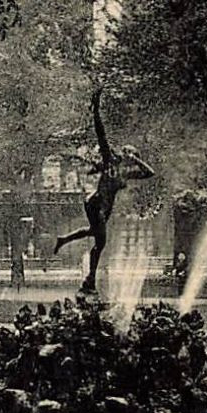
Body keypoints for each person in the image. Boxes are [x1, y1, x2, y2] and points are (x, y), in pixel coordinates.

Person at [52, 89, 155, 294]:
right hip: (96, 203)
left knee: (95, 235)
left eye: (132, 155)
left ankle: (64, 241)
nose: (128, 156)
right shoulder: (110, 160)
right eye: (129, 153)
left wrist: (136, 160)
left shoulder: (126, 173)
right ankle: (89, 281)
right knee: (100, 242)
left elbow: (150, 172)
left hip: (104, 209)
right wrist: (96, 108)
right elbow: (101, 133)